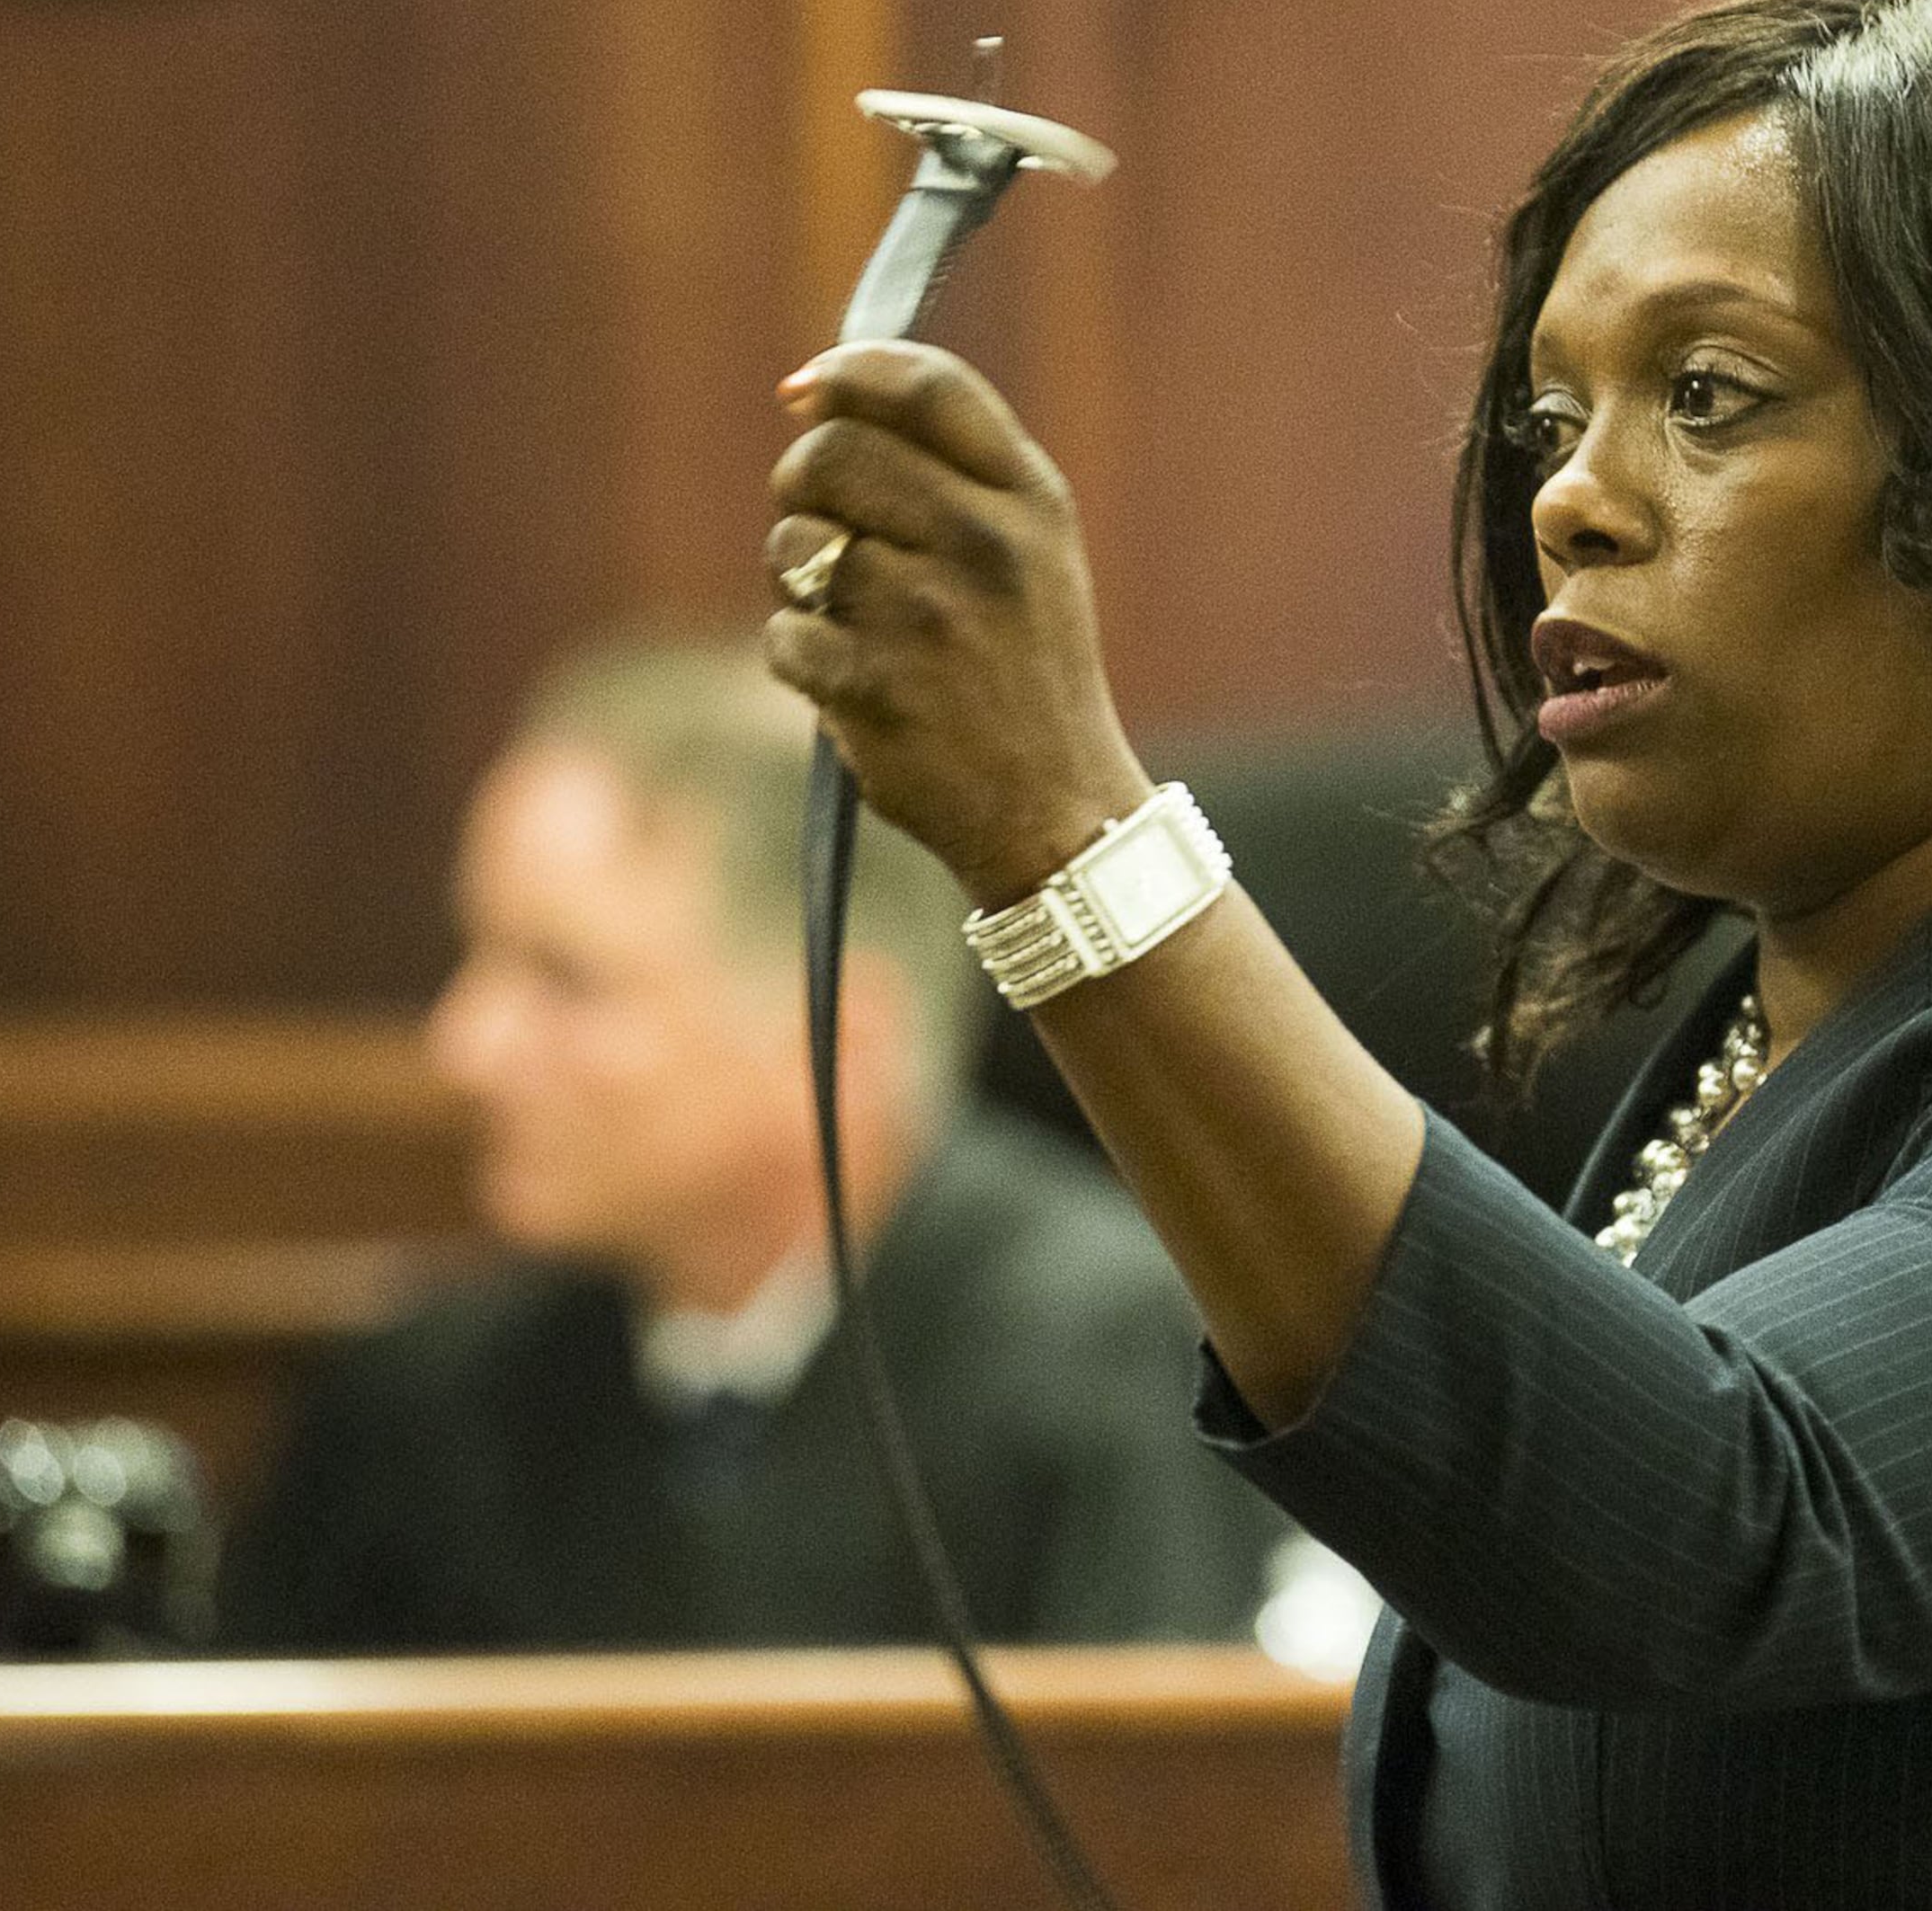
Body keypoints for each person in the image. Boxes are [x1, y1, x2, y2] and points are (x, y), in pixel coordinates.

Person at [762, 0, 1932, 1907]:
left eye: (1708, 395)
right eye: (1553, 417)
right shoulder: (1787, 1026)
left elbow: (1708, 1522)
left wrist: (1078, 840)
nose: (1571, 499)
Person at [218, 639, 1286, 1652]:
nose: (465, 1047)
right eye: (478, 959)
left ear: (836, 1041)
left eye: (566, 982)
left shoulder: (1112, 1370)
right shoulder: (427, 1398)